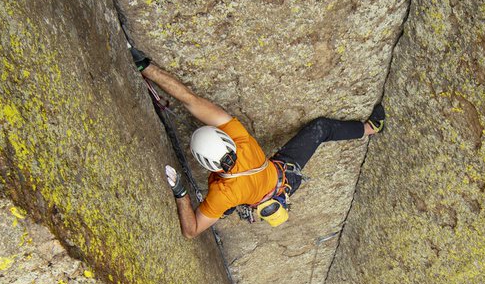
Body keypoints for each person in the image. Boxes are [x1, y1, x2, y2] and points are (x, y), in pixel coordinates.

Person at [130, 47, 385, 238]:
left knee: (227, 206)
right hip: (281, 175)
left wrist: (181, 194)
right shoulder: (239, 138)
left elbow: (191, 230)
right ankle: (368, 129)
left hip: (277, 179)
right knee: (321, 128)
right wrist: (148, 67)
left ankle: (370, 128)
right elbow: (190, 99)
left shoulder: (223, 195)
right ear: (226, 139)